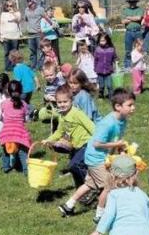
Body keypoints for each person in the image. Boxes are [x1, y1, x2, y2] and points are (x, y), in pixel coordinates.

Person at [58, 89, 136, 220]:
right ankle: (100, 215)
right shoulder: (108, 123)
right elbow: (97, 144)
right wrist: (116, 146)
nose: (133, 108)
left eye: (133, 104)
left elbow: (116, 140)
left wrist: (121, 151)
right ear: (118, 106)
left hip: (101, 157)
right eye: (130, 105)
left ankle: (68, 205)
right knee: (109, 186)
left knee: (90, 184)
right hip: (95, 158)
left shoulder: (123, 120)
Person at [42, 85, 94, 188]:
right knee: (73, 169)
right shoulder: (62, 115)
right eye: (59, 102)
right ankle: (81, 190)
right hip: (75, 146)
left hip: (86, 143)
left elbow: (91, 126)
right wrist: (48, 140)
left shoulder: (76, 113)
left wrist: (98, 141)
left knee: (74, 165)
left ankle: (91, 185)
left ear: (71, 100)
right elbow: (59, 132)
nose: (62, 105)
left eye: (65, 102)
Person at [0, 80, 34, 174]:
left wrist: (3, 119)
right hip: (19, 132)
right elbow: (26, 118)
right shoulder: (24, 104)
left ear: (8, 91)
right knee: (23, 151)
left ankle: (5, 167)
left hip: (6, 132)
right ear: (21, 92)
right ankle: (25, 169)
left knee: (6, 150)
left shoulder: (4, 103)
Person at [0, 0, 23, 71]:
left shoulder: (17, 13)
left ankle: (15, 66)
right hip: (6, 36)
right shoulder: (3, 14)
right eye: (7, 6)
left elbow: (18, 20)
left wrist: (13, 13)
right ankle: (7, 67)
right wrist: (1, 35)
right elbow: (1, 24)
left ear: (14, 6)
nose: (9, 7)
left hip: (15, 36)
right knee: (7, 53)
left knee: (15, 52)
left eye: (11, 6)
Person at [93, 33, 117, 99]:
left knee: (109, 85)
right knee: (101, 85)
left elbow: (115, 58)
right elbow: (95, 60)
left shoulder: (111, 49)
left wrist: (116, 63)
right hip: (99, 71)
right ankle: (101, 96)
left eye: (103, 40)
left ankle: (111, 97)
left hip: (109, 71)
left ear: (107, 40)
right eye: (100, 41)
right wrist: (95, 68)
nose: (102, 42)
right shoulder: (97, 49)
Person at [121, 0, 143, 68]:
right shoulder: (125, 10)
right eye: (131, 2)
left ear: (136, 2)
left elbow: (139, 18)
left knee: (139, 48)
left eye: (133, 2)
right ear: (129, 3)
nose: (132, 4)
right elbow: (123, 21)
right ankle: (127, 66)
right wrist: (134, 18)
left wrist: (128, 18)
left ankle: (139, 64)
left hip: (138, 32)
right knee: (128, 50)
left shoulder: (140, 9)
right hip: (129, 32)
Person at [24, 0, 45, 68]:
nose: (28, 1)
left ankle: (40, 66)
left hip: (39, 34)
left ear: (34, 0)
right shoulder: (26, 10)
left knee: (40, 50)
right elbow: (26, 19)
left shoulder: (40, 9)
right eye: (27, 0)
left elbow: (45, 18)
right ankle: (33, 65)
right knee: (32, 51)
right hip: (30, 34)